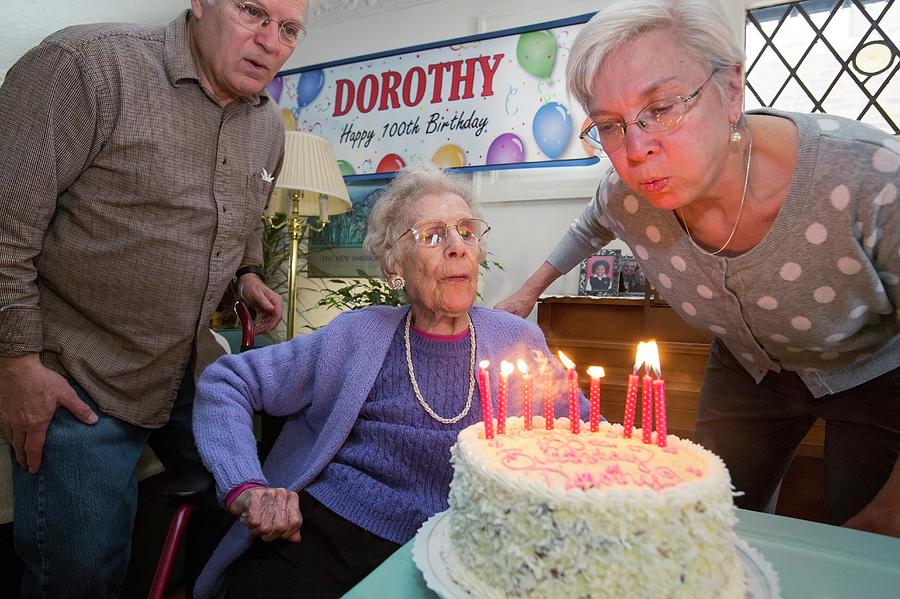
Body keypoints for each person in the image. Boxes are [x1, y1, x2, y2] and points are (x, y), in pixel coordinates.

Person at [496, 0, 899, 537]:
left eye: (661, 107)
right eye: (610, 125)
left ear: (731, 91)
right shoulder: (625, 196)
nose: (637, 148)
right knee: (709, 517)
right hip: (747, 368)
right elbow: (589, 226)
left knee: (861, 541)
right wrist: (528, 292)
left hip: (874, 374)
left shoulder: (872, 179)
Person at [0, 1, 306, 596]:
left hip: (184, 365)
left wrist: (247, 273)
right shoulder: (83, 67)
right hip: (78, 365)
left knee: (250, 503)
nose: (271, 40)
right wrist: (15, 365)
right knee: (81, 576)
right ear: (200, 4)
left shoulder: (268, 125)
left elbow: (238, 214)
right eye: (252, 11)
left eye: (289, 28)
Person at [191, 164, 586, 599]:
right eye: (433, 235)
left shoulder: (517, 341)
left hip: (466, 546)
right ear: (394, 266)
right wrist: (246, 486)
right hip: (331, 530)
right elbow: (226, 381)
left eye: (467, 232)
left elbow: (583, 439)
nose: (457, 247)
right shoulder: (356, 334)